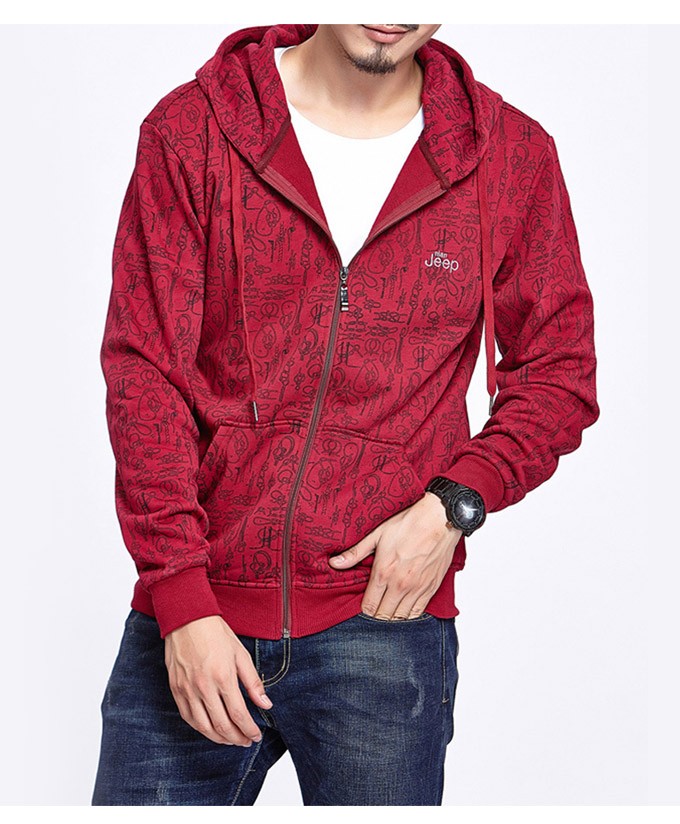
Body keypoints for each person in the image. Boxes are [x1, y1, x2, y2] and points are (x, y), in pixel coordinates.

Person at [91, 23, 599, 806]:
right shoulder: (193, 129)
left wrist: (454, 505)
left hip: (383, 623)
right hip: (196, 609)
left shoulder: (509, 155)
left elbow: (559, 371)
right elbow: (146, 373)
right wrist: (180, 597)